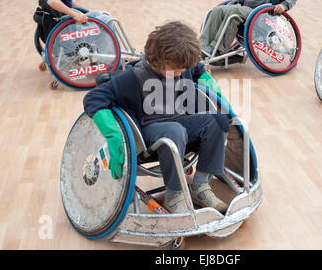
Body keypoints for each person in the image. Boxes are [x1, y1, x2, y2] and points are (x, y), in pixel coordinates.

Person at [83, 21, 231, 214]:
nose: (180, 73)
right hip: (148, 131)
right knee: (174, 131)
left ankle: (200, 186)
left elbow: (198, 70)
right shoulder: (133, 77)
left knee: (217, 120)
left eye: (183, 68)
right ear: (157, 59)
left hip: (180, 123)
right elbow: (93, 98)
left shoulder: (181, 65)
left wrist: (214, 90)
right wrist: (113, 134)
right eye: (175, 69)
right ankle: (174, 194)